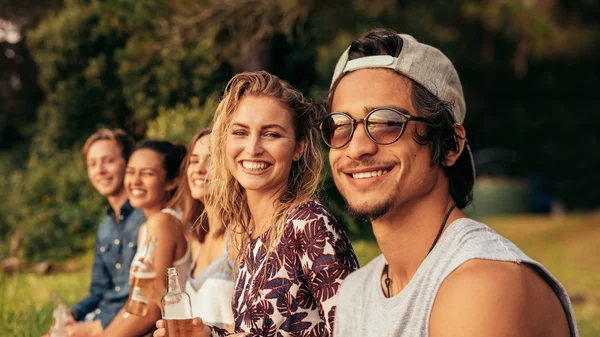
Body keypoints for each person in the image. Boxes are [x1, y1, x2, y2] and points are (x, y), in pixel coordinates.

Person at [322, 29, 579, 337]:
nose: (356, 147)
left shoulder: (483, 283)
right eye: (339, 125)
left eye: (387, 122)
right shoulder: (356, 292)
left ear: (451, 145)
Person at [154, 71, 358, 337]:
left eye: (271, 134)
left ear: (298, 147)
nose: (252, 148)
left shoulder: (309, 223)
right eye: (240, 132)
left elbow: (356, 329)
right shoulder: (248, 234)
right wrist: (208, 335)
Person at [98, 140, 191, 337]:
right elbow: (134, 305)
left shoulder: (164, 222)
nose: (135, 181)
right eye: (131, 172)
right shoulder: (147, 227)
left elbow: (151, 310)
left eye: (147, 174)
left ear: (171, 182)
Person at [66, 129, 145, 337]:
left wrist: (96, 328)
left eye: (108, 161)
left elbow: (146, 297)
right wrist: (74, 313)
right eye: (92, 164)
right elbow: (99, 290)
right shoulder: (105, 227)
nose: (99, 170)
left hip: (128, 322)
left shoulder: (148, 216)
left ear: (128, 163)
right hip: (103, 316)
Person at [171, 128, 235, 330]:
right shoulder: (196, 239)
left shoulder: (240, 234)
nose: (199, 169)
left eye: (211, 160)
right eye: (194, 160)